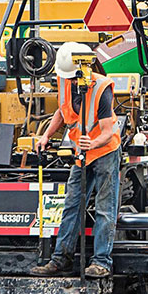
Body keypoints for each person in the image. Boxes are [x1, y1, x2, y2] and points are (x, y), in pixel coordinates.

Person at [30, 42, 122, 279]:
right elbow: (63, 110)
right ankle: (61, 260)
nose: (69, 82)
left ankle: (101, 262)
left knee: (104, 208)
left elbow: (107, 131)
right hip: (81, 154)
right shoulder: (64, 80)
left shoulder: (102, 88)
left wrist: (92, 144)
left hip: (104, 152)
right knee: (72, 204)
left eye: (72, 79)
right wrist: (47, 135)